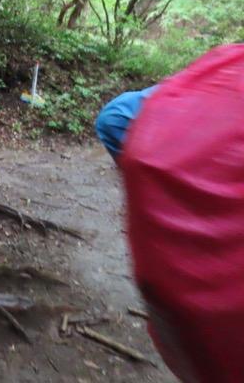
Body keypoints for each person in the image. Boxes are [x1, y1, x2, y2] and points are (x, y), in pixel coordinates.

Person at [95, 44, 244, 382]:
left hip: (190, 314)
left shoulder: (223, 70)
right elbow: (114, 119)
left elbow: (115, 118)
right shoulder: (227, 74)